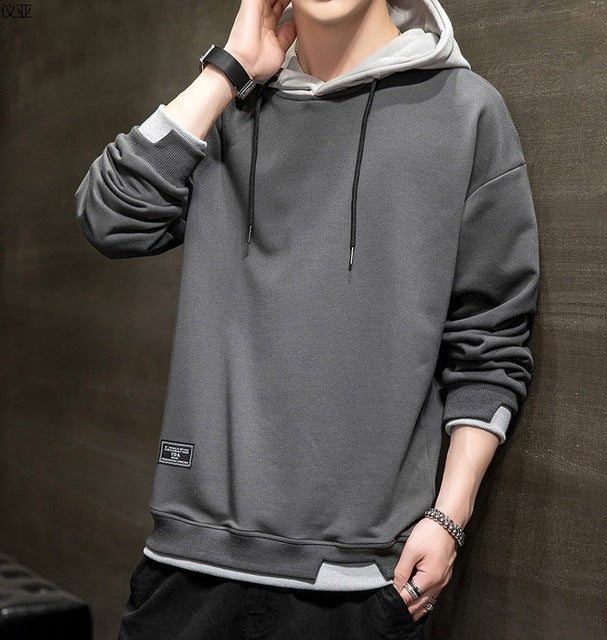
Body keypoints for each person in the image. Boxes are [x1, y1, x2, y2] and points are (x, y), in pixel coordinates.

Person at [74, 0, 540, 638]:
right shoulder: (227, 112)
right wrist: (228, 71)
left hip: (357, 584)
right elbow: (108, 217)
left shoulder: (466, 113)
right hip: (188, 568)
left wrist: (449, 518)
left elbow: (491, 339)